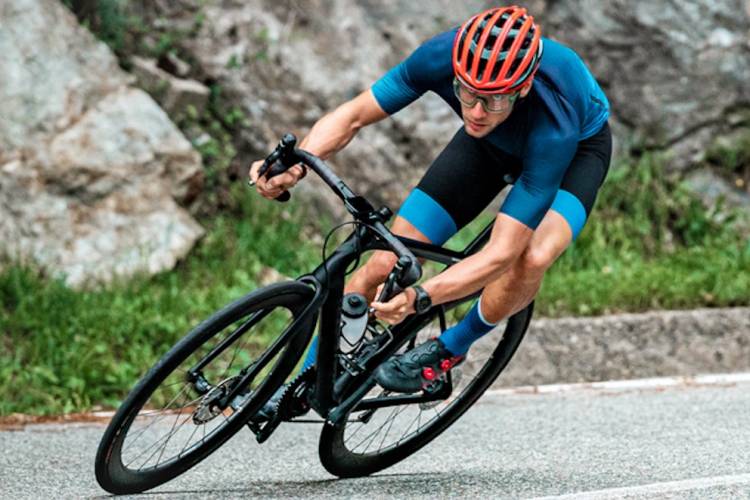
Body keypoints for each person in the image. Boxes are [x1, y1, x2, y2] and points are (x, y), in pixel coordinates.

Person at [249, 5, 611, 394]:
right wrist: (295, 167)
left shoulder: (555, 124)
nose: (473, 110)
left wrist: (421, 297)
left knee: (531, 256)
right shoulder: (442, 56)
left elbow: (499, 254)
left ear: (521, 88)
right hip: (488, 144)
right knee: (384, 263)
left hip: (577, 153)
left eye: (492, 100)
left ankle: (452, 346)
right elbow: (354, 114)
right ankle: (304, 384)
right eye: (466, 94)